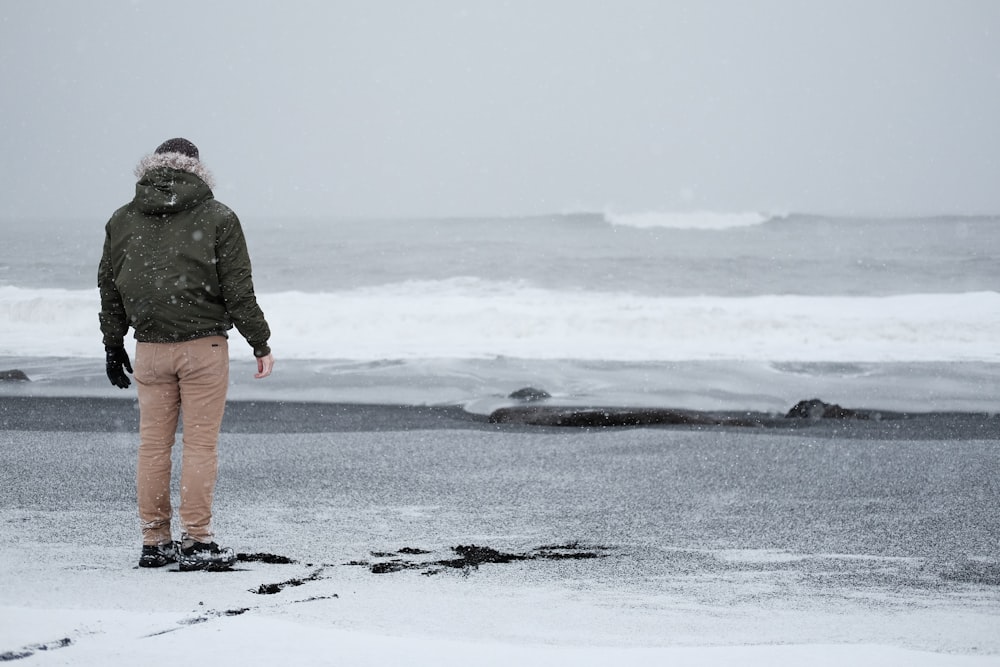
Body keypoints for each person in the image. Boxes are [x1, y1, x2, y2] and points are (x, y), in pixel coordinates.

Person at [98, 138, 274, 571]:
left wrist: (112, 343)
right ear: (196, 169)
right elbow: (237, 290)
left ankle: (155, 541)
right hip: (203, 347)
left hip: (150, 350)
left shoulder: (122, 219)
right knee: (199, 446)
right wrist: (260, 341)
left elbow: (110, 286)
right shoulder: (218, 217)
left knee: (152, 447)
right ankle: (197, 542)